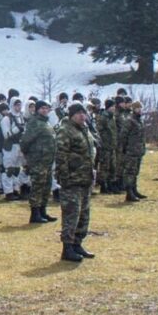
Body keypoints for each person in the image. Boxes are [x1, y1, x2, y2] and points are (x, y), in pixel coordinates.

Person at [55, 101, 98, 263]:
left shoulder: (84, 129)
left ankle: (77, 243)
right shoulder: (65, 130)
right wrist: (65, 177)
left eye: (83, 113)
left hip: (85, 178)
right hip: (72, 180)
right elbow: (61, 156)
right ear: (72, 115)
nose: (82, 116)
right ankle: (67, 248)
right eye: (79, 113)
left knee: (84, 214)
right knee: (71, 214)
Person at [20, 99, 58, 226]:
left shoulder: (46, 123)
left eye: (47, 108)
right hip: (38, 161)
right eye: (42, 108)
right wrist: (30, 157)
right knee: (37, 186)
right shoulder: (34, 122)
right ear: (37, 110)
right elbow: (25, 141)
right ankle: (35, 214)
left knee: (46, 186)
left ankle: (43, 211)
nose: (45, 110)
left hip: (47, 161)